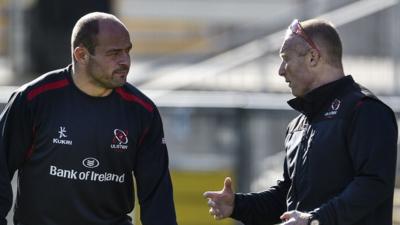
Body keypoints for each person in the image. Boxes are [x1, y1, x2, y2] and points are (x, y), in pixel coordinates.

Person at [204, 18, 398, 225]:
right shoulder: (298, 125)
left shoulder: (365, 110)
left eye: (286, 58)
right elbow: (285, 198)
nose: (280, 70)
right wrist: (237, 205)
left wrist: (315, 220)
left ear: (313, 57)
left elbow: (374, 184)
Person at [0, 12, 178, 225]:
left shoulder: (142, 112)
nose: (125, 61)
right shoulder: (33, 100)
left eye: (127, 51)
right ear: (81, 54)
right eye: (114, 53)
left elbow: (158, 201)